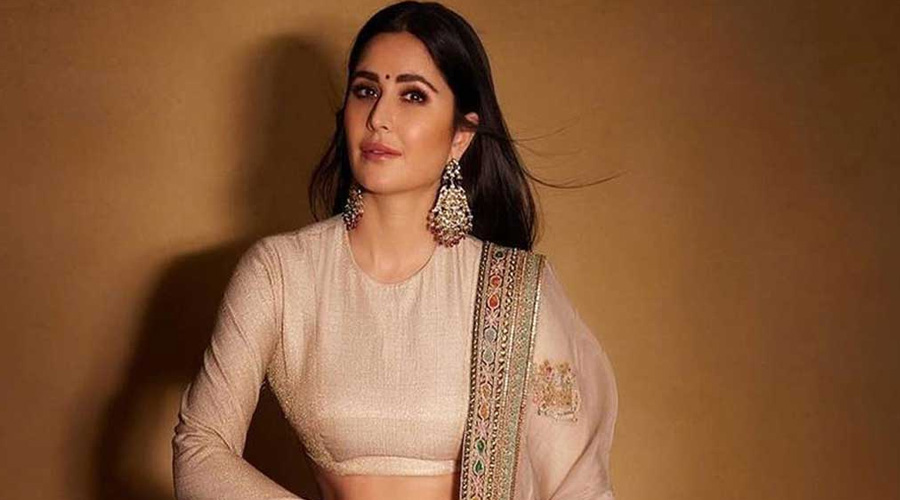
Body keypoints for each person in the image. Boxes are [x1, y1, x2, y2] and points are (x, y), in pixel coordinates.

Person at [171, 2, 618, 499]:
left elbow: (578, 486)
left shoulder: (511, 291)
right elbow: (200, 446)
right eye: (366, 91)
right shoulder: (282, 274)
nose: (379, 118)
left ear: (461, 136)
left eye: (413, 96)